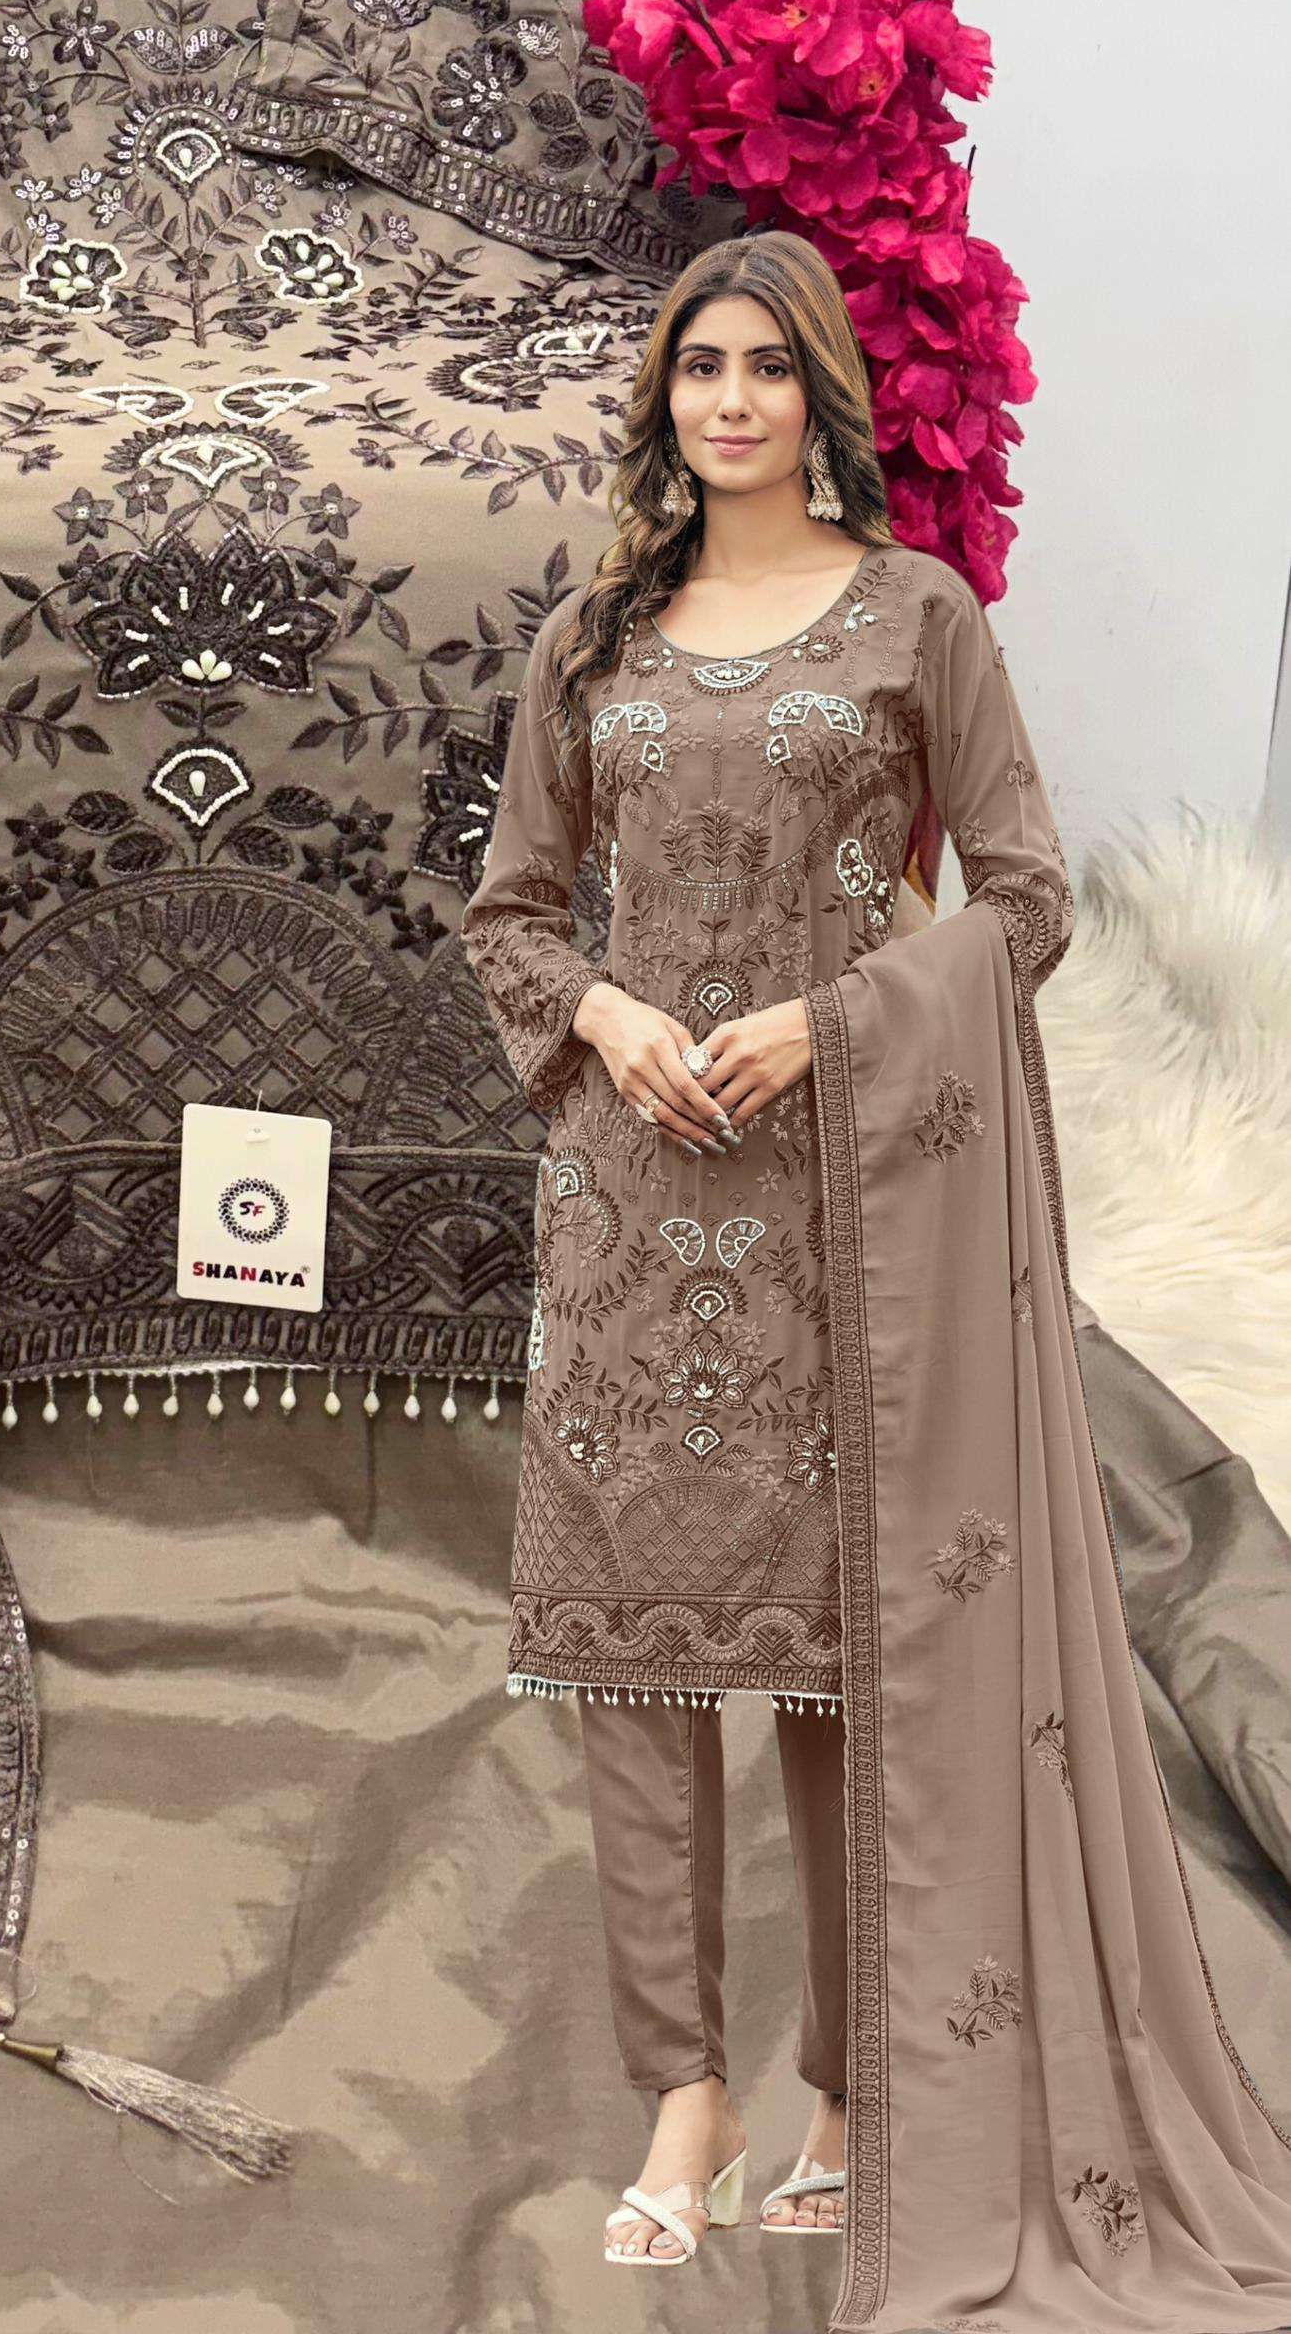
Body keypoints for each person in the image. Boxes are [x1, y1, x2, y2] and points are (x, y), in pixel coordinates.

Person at [456, 226, 1070, 2269]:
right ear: (669, 399)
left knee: (829, 1663)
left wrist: (833, 1019)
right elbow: (511, 913)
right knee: (629, 1659)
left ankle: (846, 2086)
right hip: (632, 1207)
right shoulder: (593, 637)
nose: (732, 400)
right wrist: (608, 1017)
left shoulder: (918, 618)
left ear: (824, 395)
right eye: (700, 367)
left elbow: (1028, 899)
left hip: (841, 1202)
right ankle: (684, 2095)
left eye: (769, 366)